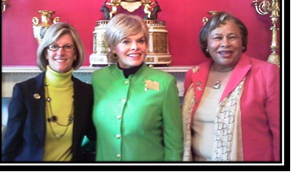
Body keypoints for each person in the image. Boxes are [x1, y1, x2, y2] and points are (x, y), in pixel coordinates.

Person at [182, 12, 280, 161]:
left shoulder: (267, 73)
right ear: (206, 44)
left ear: (243, 42)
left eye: (232, 37)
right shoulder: (194, 75)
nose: (225, 43)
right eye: (217, 37)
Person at [90, 13, 183, 161]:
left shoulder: (165, 83)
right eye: (126, 41)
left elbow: (174, 142)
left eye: (140, 41)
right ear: (113, 47)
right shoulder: (98, 79)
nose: (135, 47)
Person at [2, 22, 96, 162]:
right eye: (53, 46)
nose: (60, 52)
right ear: (46, 53)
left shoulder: (86, 92)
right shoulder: (24, 91)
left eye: (68, 47)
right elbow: (11, 141)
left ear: (76, 54)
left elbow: (95, 134)